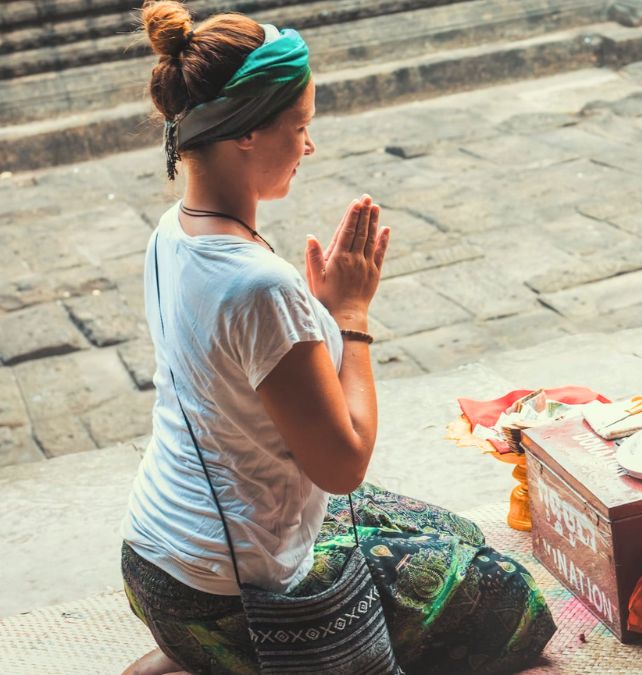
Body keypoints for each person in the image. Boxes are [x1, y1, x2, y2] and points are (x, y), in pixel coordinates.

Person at [120, 3, 555, 673]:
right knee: (509, 599)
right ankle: (217, 656)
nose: (308, 146)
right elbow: (343, 463)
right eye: (300, 127)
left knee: (453, 532)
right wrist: (349, 316)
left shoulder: (172, 231)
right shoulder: (259, 285)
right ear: (247, 133)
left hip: (154, 558)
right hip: (222, 596)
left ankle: (190, 655)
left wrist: (313, 318)